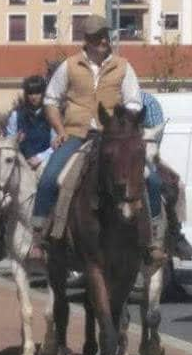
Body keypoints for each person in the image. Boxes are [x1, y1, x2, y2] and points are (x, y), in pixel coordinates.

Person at [29, 14, 145, 261]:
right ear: (87, 40)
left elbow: (134, 103)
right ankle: (39, 237)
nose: (103, 40)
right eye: (97, 37)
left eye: (105, 35)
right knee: (50, 178)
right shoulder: (69, 65)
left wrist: (121, 127)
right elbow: (51, 100)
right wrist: (60, 131)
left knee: (150, 179)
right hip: (76, 135)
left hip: (113, 138)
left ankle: (154, 237)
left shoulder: (124, 66)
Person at [142, 91, 192, 264]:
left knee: (173, 184)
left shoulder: (148, 102)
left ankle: (173, 234)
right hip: (110, 153)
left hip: (143, 153)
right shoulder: (104, 94)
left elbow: (155, 136)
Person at [6, 75, 54, 170]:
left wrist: (39, 158)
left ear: (44, 94)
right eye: (30, 93)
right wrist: (15, 140)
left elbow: (56, 144)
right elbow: (9, 141)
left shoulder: (52, 115)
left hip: (45, 162)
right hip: (21, 163)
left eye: (37, 93)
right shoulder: (16, 115)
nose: (33, 97)